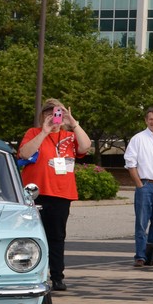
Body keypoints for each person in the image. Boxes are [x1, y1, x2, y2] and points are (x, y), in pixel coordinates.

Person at [17, 96, 92, 293]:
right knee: (32, 236)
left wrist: (73, 123)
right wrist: (44, 131)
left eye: (57, 113)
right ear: (43, 115)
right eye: (49, 113)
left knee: (57, 237)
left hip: (61, 193)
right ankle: (32, 275)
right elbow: (24, 153)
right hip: (36, 193)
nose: (54, 116)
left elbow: (85, 146)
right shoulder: (33, 133)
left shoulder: (69, 136)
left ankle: (57, 276)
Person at [123, 105, 153, 268]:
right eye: (150, 119)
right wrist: (139, 184)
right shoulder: (138, 139)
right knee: (142, 223)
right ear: (146, 120)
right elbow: (130, 163)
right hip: (145, 185)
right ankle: (140, 256)